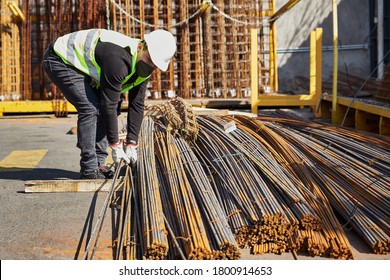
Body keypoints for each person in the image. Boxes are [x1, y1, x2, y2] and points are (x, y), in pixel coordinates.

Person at [43, 29, 177, 179]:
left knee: (104, 107)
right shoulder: (118, 60)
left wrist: (132, 142)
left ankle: (99, 164)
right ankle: (89, 169)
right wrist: (115, 144)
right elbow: (109, 105)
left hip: (83, 67)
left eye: (154, 64)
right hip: (61, 59)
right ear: (140, 47)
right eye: (149, 59)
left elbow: (137, 105)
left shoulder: (143, 70)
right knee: (90, 108)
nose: (150, 65)